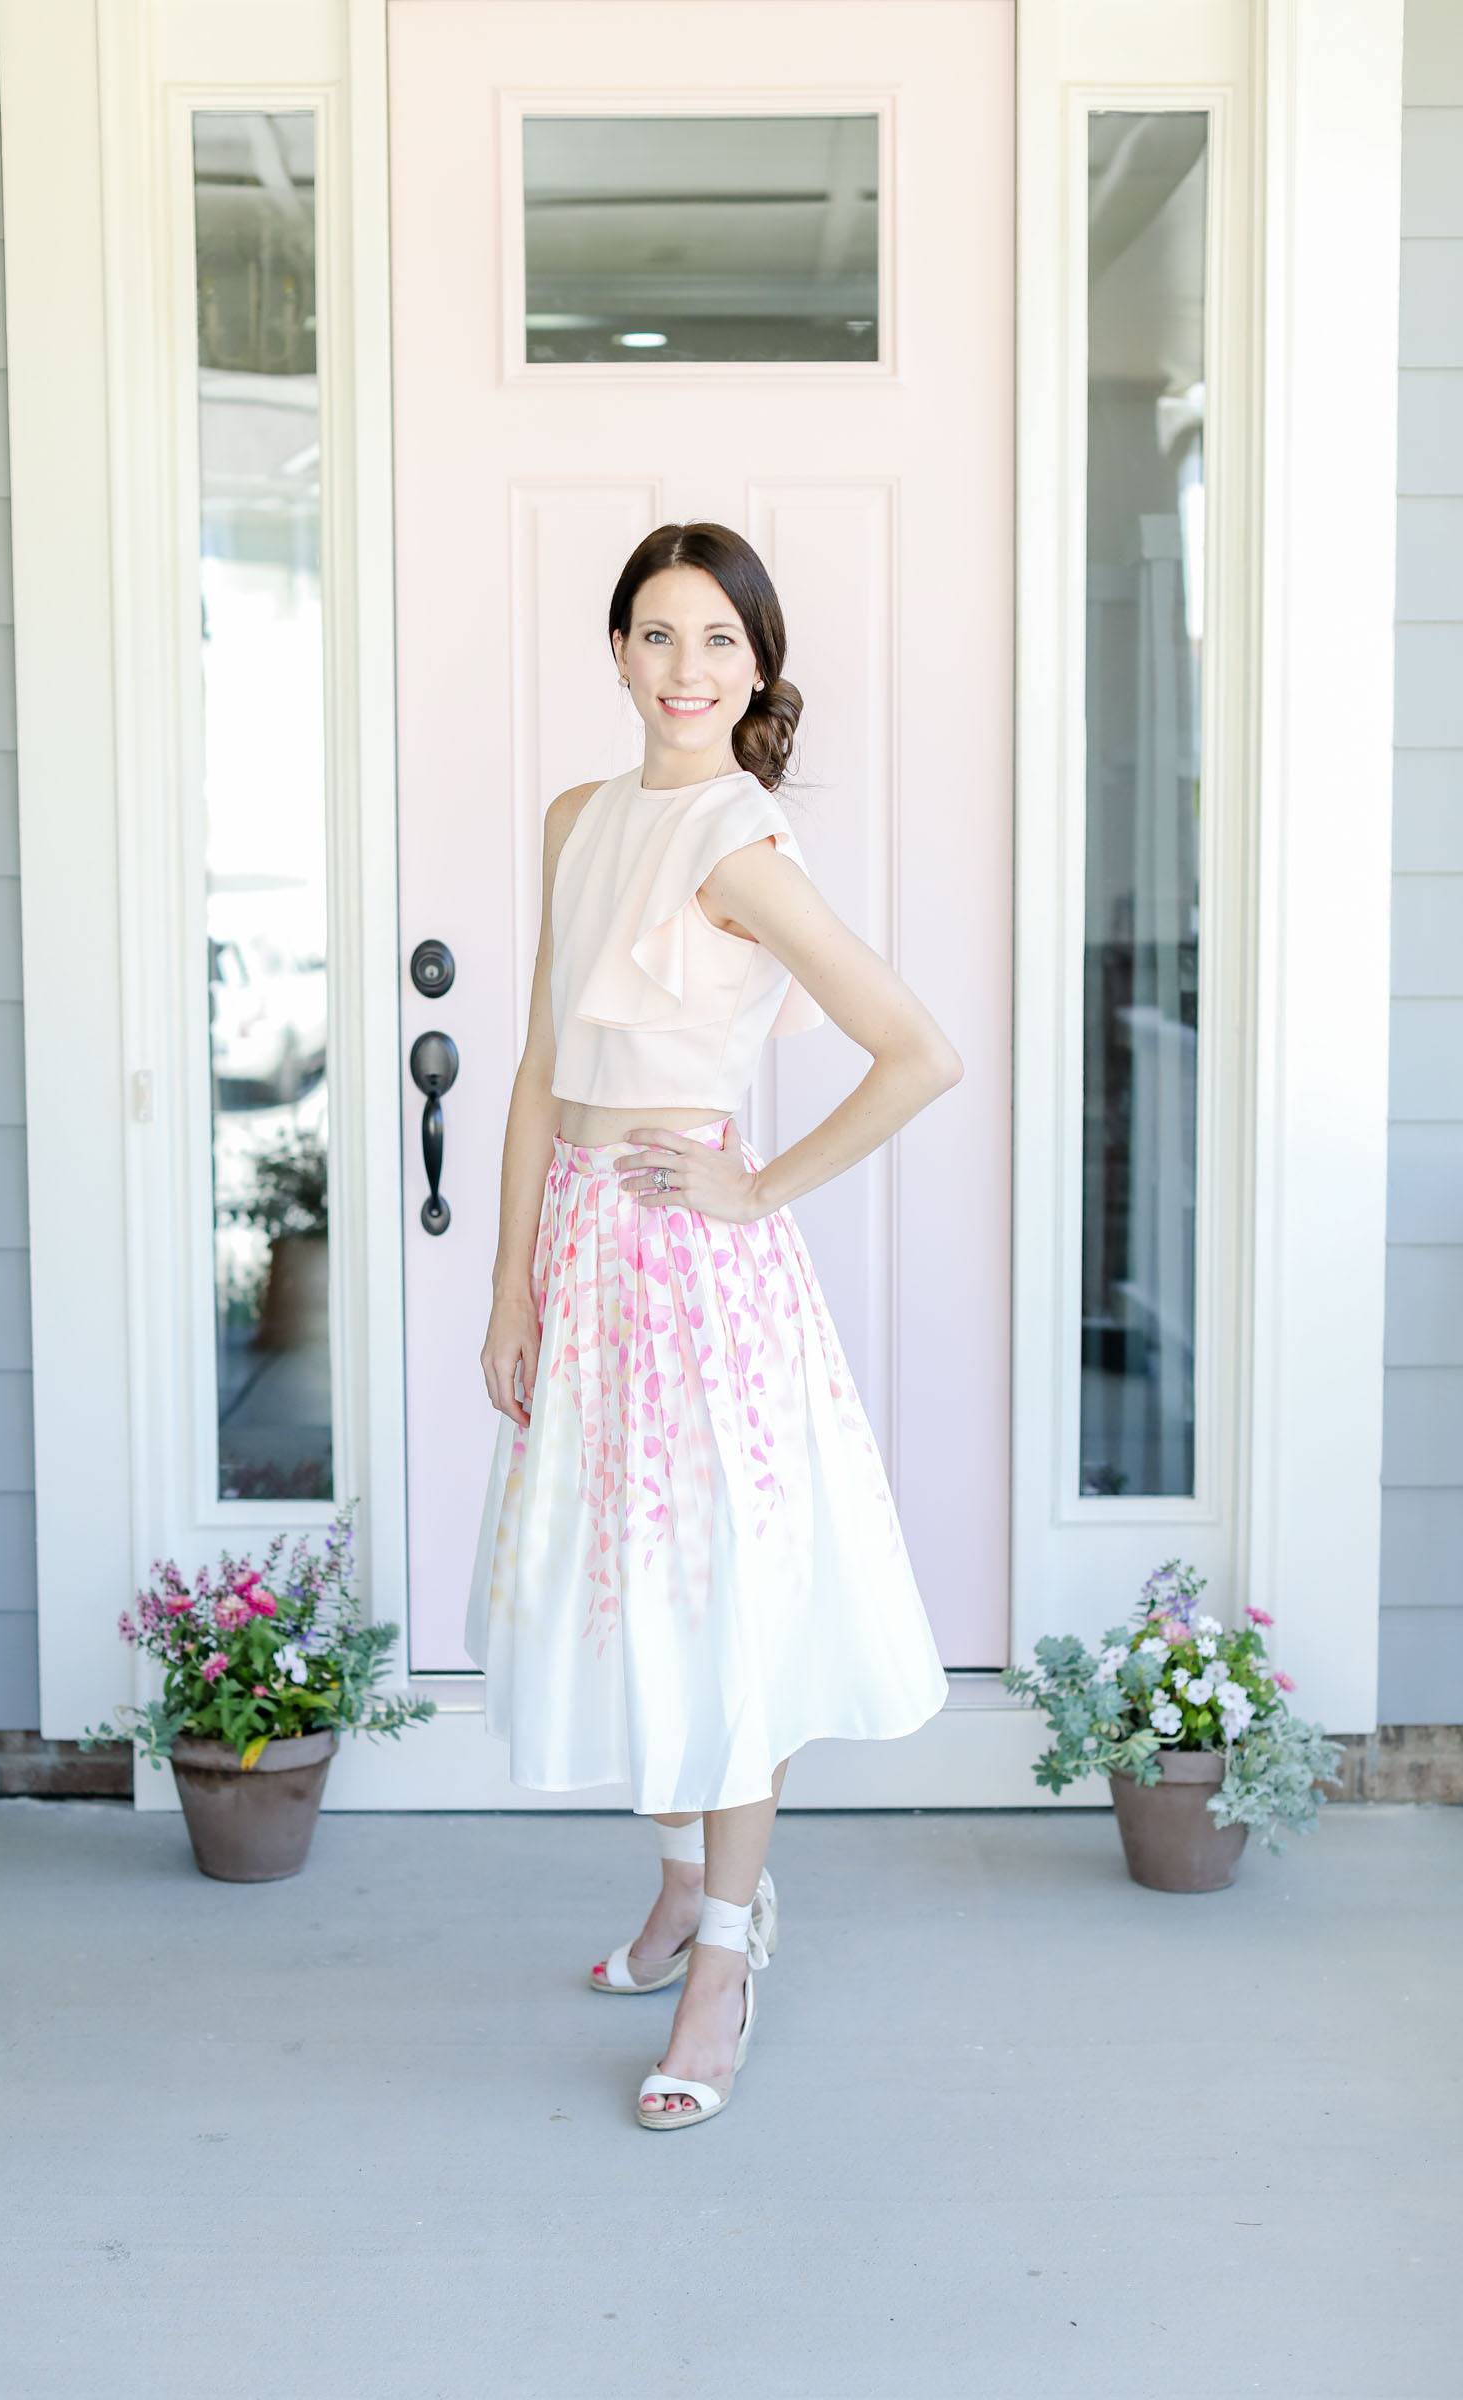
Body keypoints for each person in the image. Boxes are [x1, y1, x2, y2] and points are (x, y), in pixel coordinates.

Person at [467, 522, 963, 2130]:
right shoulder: (577, 820)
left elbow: (916, 1052)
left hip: (696, 1275)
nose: (687, 670)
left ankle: (725, 1966)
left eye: (719, 643)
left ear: (758, 668)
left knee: (720, 1611)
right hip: (591, 1269)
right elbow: (542, 1068)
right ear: (615, 650)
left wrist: (757, 1191)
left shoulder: (740, 843)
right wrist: (508, 1278)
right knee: (637, 1593)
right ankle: (683, 1886)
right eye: (658, 635)